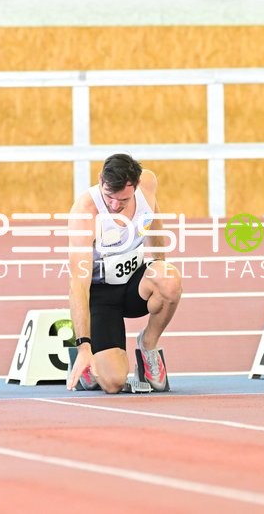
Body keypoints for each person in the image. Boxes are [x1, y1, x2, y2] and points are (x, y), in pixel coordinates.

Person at [66, 153, 183, 393]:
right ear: (100, 180)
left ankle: (148, 345)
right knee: (114, 383)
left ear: (136, 186)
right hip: (101, 296)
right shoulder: (85, 212)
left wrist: (159, 266)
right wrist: (84, 347)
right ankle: (89, 363)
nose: (115, 205)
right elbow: (78, 284)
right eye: (109, 197)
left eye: (123, 199)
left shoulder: (147, 185)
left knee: (169, 279)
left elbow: (155, 221)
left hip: (134, 285)